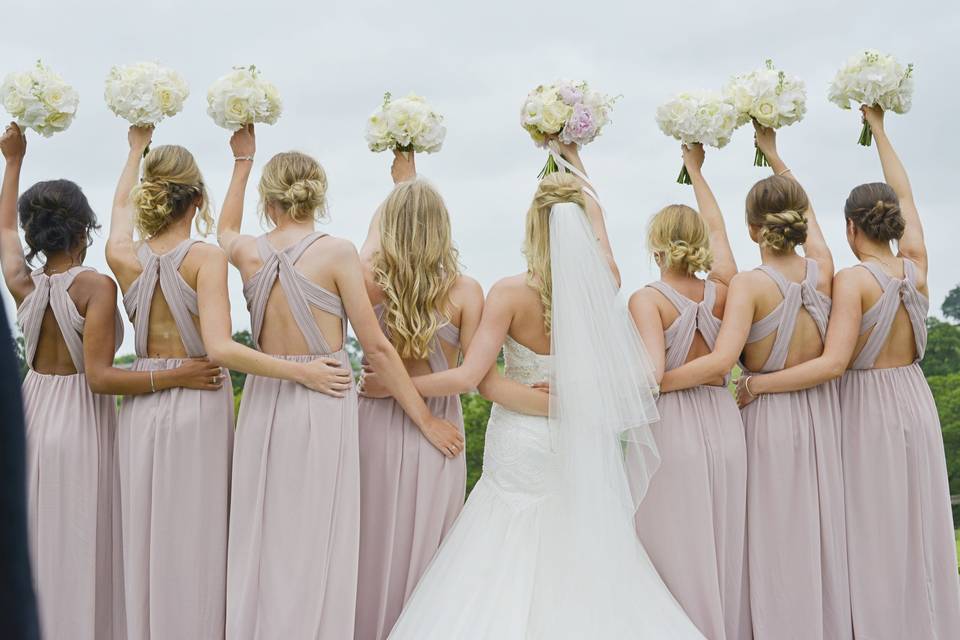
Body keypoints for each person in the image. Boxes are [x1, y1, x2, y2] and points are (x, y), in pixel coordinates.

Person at [382, 144, 705, 639]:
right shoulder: (606, 282)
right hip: (578, 438)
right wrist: (574, 159)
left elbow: (482, 380)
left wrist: (397, 385)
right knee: (580, 544)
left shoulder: (508, 293)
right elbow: (598, 224)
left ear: (534, 225)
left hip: (520, 439)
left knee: (498, 547)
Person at [216, 125, 462, 639]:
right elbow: (376, 348)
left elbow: (224, 229)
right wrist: (425, 421)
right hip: (323, 396)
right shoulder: (338, 253)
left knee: (262, 531)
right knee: (318, 535)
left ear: (270, 198)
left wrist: (242, 162)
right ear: (318, 194)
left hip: (263, 399)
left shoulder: (245, 252)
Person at [106, 126, 344, 639]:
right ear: (197, 199)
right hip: (198, 402)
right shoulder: (204, 259)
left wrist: (133, 151)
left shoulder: (121, 256)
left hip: (141, 404)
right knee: (200, 539)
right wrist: (301, 370)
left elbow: (120, 210)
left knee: (143, 538)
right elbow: (220, 350)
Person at [739, 106, 960, 639]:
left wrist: (756, 384)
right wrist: (881, 130)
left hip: (866, 408)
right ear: (895, 225)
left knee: (869, 528)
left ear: (851, 227)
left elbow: (834, 364)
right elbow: (906, 195)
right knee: (918, 524)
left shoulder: (853, 282)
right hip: (914, 397)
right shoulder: (916, 266)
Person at [1, 123, 221, 640]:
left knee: (38, 537)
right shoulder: (95, 287)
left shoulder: (20, 281)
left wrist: (12, 162)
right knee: (85, 543)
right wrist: (181, 373)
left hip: (34, 411)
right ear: (84, 231)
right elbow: (99, 378)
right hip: (80, 419)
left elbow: (4, 233)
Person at [658, 124, 850, 639]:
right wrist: (773, 153)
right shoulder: (824, 268)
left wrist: (653, 382)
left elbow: (722, 362)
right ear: (799, 224)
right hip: (822, 413)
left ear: (753, 231)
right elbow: (802, 212)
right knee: (817, 532)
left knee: (766, 537)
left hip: (766, 419)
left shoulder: (746, 286)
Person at [355, 150, 547, 640]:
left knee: (370, 542)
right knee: (431, 550)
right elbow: (469, 376)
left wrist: (400, 184)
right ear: (445, 228)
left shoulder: (367, 282)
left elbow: (371, 243)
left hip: (373, 417)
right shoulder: (465, 290)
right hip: (439, 427)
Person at [629, 143, 750, 639]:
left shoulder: (648, 299)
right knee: (723, 540)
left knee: (672, 547)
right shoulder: (726, 289)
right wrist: (697, 172)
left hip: (673, 428)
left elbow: (651, 377)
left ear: (656, 246)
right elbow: (719, 229)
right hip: (726, 423)